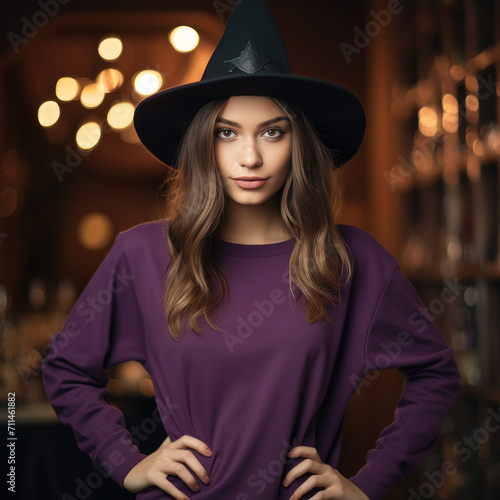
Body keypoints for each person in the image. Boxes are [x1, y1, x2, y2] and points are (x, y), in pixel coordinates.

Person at [42, 1, 462, 499]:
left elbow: (436, 372)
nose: (249, 156)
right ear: (204, 144)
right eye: (226, 132)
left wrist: (368, 484)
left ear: (298, 143)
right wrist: (125, 461)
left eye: (272, 131)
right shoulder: (143, 253)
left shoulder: (351, 259)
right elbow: (65, 366)